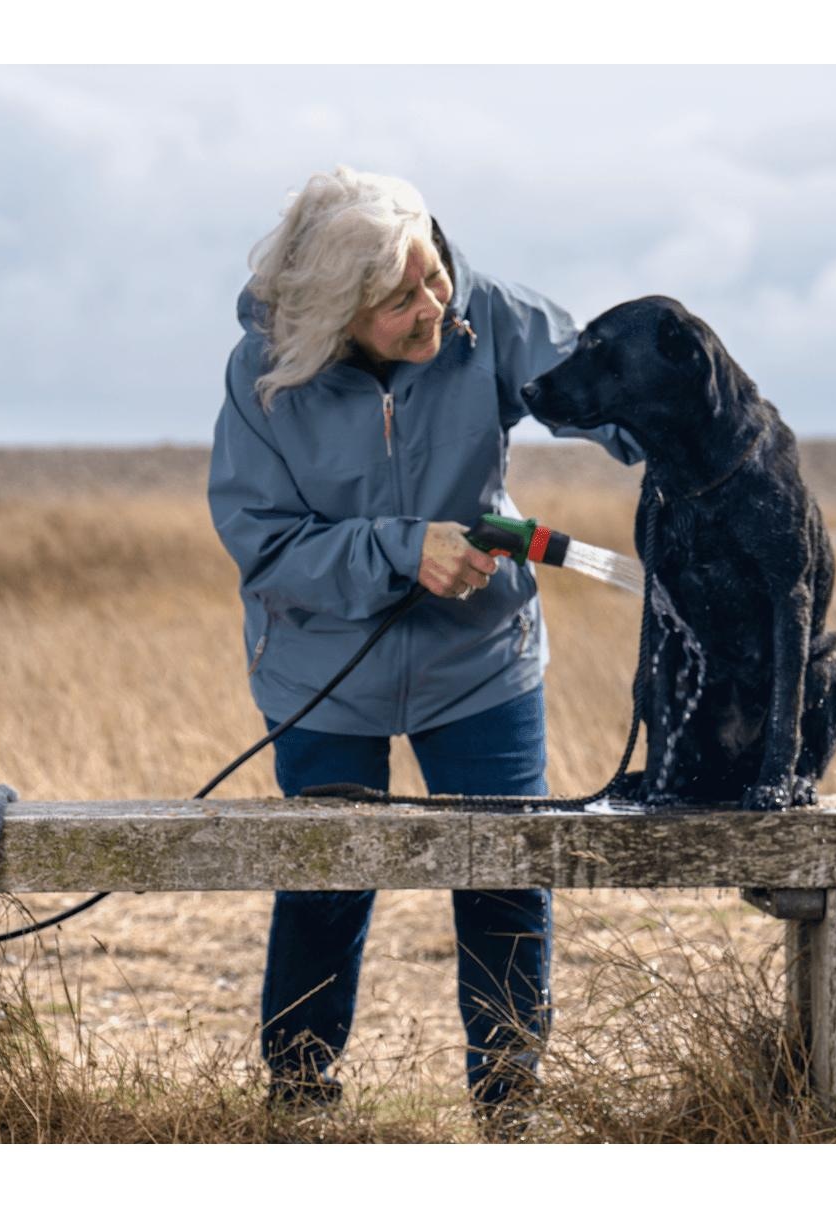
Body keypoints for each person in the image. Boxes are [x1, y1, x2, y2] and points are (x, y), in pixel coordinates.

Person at [207, 167, 642, 1131]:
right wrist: (405, 549)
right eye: (401, 300)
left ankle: (511, 1107)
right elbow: (265, 545)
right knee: (328, 873)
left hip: (480, 660)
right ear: (334, 317)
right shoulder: (264, 377)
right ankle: (301, 1102)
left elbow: (617, 390)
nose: (435, 306)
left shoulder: (488, 315)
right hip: (322, 671)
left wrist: (694, 432)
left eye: (435, 276)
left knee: (504, 865)